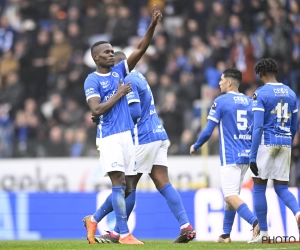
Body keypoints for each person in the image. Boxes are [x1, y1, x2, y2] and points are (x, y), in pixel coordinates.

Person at [92, 51, 196, 244]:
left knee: (127, 187)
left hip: (143, 136)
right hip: (158, 133)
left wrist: (114, 117)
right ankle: (186, 226)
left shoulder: (128, 79)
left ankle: (112, 230)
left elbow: (135, 111)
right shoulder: (139, 76)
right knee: (163, 183)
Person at [82, 5, 162, 245]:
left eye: (112, 51)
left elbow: (140, 48)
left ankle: (93, 220)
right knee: (118, 183)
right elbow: (95, 109)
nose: (111, 54)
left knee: (128, 187)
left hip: (128, 136)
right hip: (109, 137)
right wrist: (118, 94)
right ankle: (124, 234)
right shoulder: (92, 79)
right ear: (96, 57)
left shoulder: (120, 71)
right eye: (106, 52)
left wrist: (152, 26)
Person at [190, 68, 259, 243]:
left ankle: (256, 224)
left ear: (229, 83)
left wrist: (196, 145)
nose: (219, 83)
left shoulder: (221, 101)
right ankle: (225, 235)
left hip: (231, 156)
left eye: (221, 80)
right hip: (246, 156)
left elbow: (207, 131)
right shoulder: (250, 102)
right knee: (232, 197)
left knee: (229, 196)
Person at [248, 58, 300, 243]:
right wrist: (288, 141)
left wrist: (252, 156)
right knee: (281, 188)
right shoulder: (291, 94)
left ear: (261, 74)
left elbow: (258, 127)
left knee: (259, 187)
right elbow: (295, 125)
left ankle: (263, 234)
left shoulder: (260, 94)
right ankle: (298, 212)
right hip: (285, 142)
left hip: (266, 144)